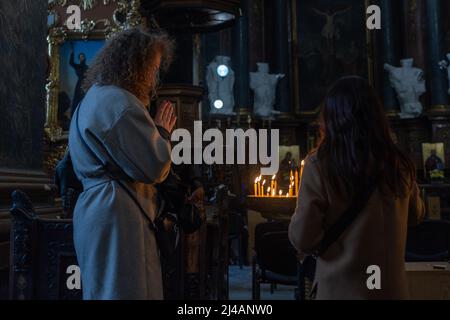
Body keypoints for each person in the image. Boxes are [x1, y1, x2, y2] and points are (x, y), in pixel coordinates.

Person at [288, 76, 425, 300]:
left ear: (332, 118)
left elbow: (304, 237)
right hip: (390, 290)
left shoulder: (321, 164)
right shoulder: (398, 163)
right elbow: (415, 215)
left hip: (343, 289)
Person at [68, 28, 176, 300]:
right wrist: (162, 132)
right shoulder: (120, 103)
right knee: (125, 291)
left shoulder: (92, 98)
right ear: (135, 65)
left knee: (102, 291)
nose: (153, 78)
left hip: (96, 210)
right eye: (152, 68)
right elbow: (155, 166)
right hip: (118, 216)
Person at [69, 44, 88, 116]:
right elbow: (71, 63)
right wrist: (72, 53)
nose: (81, 58)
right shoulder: (77, 66)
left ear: (84, 58)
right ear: (79, 58)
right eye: (80, 57)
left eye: (82, 57)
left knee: (84, 99)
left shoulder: (87, 67)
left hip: (85, 84)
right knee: (77, 99)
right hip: (79, 84)